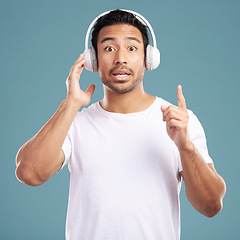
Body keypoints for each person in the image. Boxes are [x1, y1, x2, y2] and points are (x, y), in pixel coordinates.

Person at [15, 9, 226, 240]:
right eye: (108, 48)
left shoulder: (179, 121)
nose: (120, 58)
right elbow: (29, 173)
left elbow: (210, 206)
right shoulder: (74, 123)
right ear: (93, 60)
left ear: (148, 59)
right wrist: (70, 104)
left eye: (132, 48)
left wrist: (186, 148)